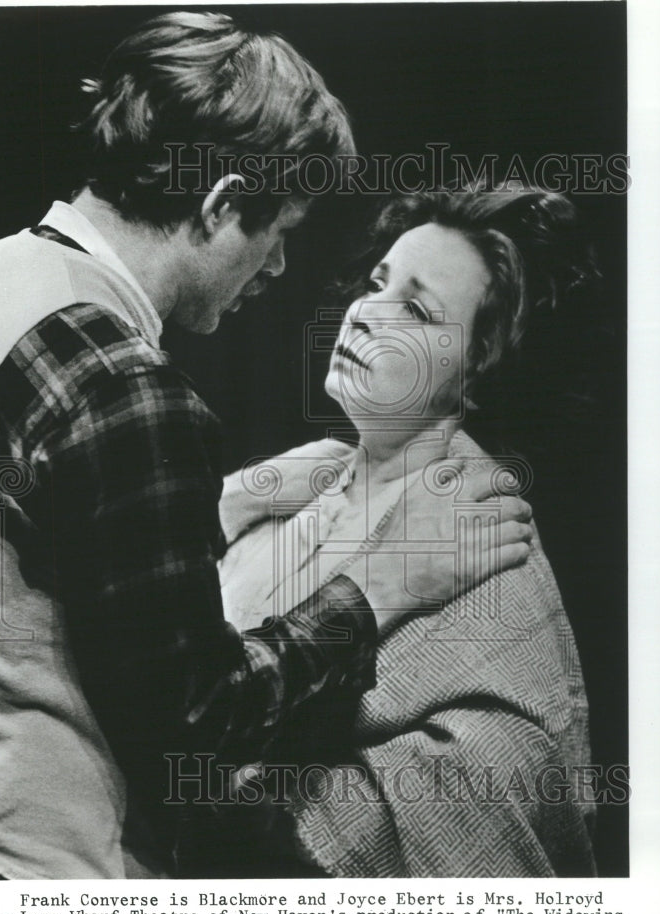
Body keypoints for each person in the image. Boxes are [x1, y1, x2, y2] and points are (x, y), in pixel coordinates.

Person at [0, 14, 532, 879]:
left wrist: (228, 496)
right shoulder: (120, 381)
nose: (281, 268)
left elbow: (6, 543)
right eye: (278, 231)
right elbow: (198, 720)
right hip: (35, 883)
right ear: (220, 205)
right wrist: (380, 585)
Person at [213, 188, 598, 877]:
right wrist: (229, 505)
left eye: (416, 309)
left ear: (480, 363)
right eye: (376, 282)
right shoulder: (295, 493)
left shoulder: (477, 527)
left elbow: (508, 767)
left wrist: (259, 813)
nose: (364, 314)